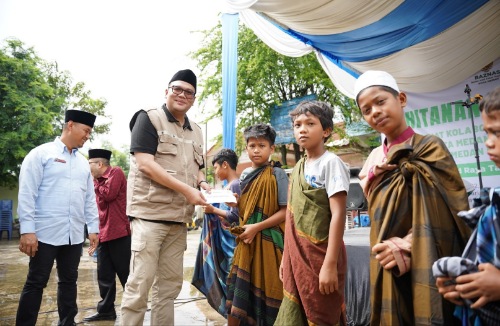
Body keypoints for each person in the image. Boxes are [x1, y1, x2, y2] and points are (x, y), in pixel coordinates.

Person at [356, 70, 471, 325]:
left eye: (380, 101)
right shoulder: (374, 159)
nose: (374, 111)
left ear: (402, 99)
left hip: (427, 255)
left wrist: (407, 245)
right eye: (366, 110)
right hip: (384, 258)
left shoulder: (430, 147)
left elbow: (452, 210)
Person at [120, 69, 209, 325]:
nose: (182, 95)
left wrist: (202, 183)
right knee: (139, 287)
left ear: (194, 98)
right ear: (167, 91)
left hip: (178, 221)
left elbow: (198, 169)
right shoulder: (148, 119)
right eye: (177, 89)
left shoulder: (197, 131)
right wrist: (188, 190)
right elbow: (145, 164)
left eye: (188, 92)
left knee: (168, 291)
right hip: (149, 218)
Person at [16, 110, 99, 326]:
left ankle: (67, 323)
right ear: (70, 125)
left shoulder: (82, 163)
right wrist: (27, 230)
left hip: (73, 235)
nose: (87, 136)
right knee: (36, 283)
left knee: (69, 282)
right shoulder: (41, 154)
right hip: (44, 234)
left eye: (90, 132)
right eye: (86, 130)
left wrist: (93, 228)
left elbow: (90, 199)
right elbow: (27, 193)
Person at [275, 100, 350, 325]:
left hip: (322, 256)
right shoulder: (299, 166)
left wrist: (329, 264)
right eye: (297, 125)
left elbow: (338, 214)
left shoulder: (331, 163)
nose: (302, 129)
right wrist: (285, 259)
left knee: (322, 315)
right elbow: (292, 217)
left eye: (310, 123)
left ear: (326, 131)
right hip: (297, 258)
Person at [434, 86, 500, 325]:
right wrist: (464, 284)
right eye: (487, 134)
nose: (489, 144)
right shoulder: (493, 207)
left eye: (498, 134)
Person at [225, 124, 288, 326]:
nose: (256, 150)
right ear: (246, 149)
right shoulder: (244, 175)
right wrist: (236, 203)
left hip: (270, 241)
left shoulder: (277, 174)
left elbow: (285, 212)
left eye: (262, 145)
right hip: (247, 241)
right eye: (252, 145)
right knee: (241, 296)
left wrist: (257, 227)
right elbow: (246, 212)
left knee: (270, 290)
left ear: (272, 148)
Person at [83, 149, 131, 322]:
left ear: (100, 164)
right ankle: (106, 311)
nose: (88, 168)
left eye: (90, 164)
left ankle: (134, 307)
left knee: (126, 274)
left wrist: (94, 183)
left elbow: (109, 194)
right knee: (104, 275)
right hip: (103, 233)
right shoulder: (96, 181)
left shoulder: (115, 172)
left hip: (119, 233)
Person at [192, 148, 240, 317]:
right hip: (228, 242)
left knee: (231, 286)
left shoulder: (234, 186)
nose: (215, 172)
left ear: (225, 165)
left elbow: (234, 216)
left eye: (215, 168)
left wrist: (213, 210)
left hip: (231, 244)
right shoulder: (229, 186)